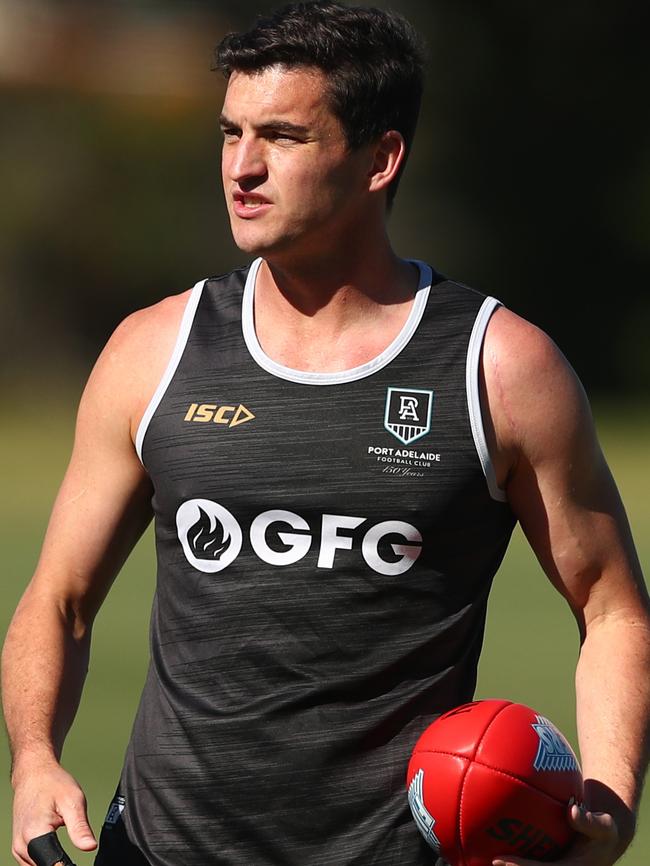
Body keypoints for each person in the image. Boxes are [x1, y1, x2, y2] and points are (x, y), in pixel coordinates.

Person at [2, 2, 649, 865]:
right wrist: (35, 758)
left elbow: (611, 608)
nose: (242, 167)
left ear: (380, 159)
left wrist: (609, 797)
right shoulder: (154, 349)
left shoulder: (500, 368)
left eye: (282, 137)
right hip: (158, 850)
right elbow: (61, 598)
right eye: (230, 134)